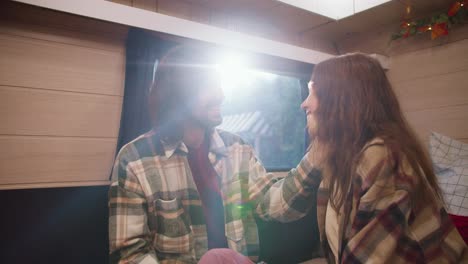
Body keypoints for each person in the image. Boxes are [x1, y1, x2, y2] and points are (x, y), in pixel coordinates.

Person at [256, 53, 468, 263]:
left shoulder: (382, 156)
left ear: (342, 100)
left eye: (313, 91)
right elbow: (278, 207)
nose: (304, 103)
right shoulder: (336, 152)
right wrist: (317, 152)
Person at [108, 46, 277, 263]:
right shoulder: (133, 159)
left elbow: (272, 204)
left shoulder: (237, 148)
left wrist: (316, 158)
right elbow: (129, 255)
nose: (221, 94)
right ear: (178, 94)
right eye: (208, 86)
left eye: (219, 85)